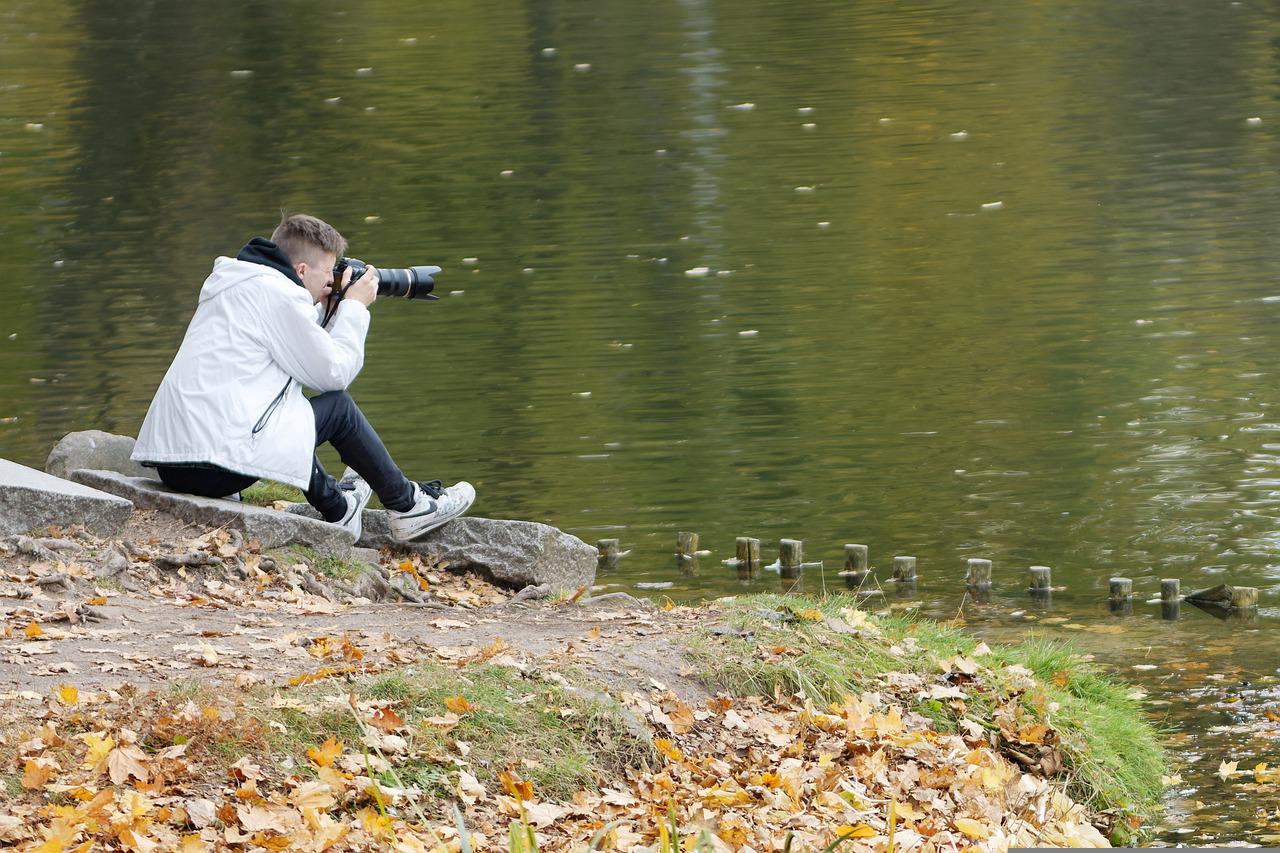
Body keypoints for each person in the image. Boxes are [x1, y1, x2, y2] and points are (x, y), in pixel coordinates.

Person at [131, 214, 475, 541]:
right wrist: (354, 308)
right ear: (301, 269)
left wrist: (326, 310)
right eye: (328, 272)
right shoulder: (279, 296)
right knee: (337, 408)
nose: (331, 280)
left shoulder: (237, 284)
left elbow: (292, 353)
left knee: (285, 407)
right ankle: (410, 506)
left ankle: (338, 508)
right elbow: (334, 375)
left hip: (174, 463)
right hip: (215, 467)